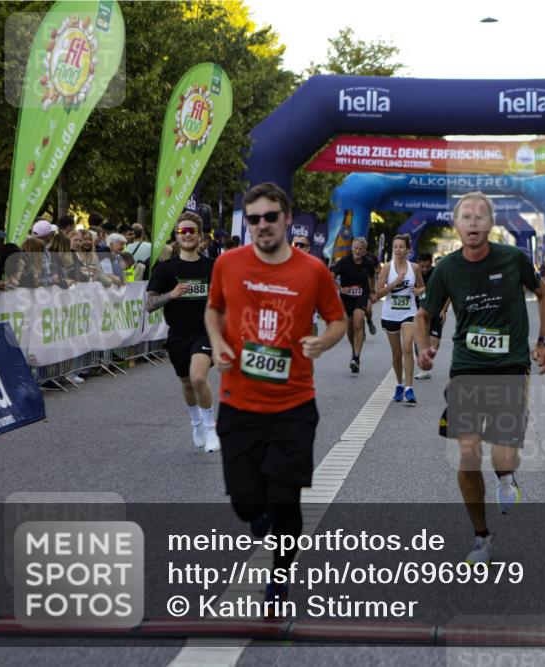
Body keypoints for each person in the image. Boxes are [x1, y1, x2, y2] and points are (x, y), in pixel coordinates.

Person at [206, 182, 346, 611]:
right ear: (246, 224)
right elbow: (213, 310)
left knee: (285, 500)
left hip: (293, 406)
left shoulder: (313, 271)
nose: (262, 225)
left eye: (271, 217)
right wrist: (216, 343)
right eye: (254, 219)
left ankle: (279, 579)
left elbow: (337, 320)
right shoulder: (228, 264)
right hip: (238, 403)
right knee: (248, 504)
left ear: (287, 219)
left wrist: (324, 342)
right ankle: (258, 517)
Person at [416, 191, 545, 565]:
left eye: (481, 216)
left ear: (490, 224)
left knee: (504, 456)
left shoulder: (512, 259)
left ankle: (505, 478)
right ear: (456, 224)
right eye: (467, 216)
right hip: (466, 366)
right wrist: (424, 349)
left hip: (510, 366)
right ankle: (481, 537)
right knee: (466, 452)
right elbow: (424, 315)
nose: (474, 221)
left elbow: (544, 294)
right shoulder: (446, 269)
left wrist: (543, 341)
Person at [146, 213, 220, 452]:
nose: (188, 235)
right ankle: (196, 422)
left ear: (200, 235)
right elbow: (149, 305)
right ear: (177, 236)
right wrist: (171, 295)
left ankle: (210, 428)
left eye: (192, 231)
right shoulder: (165, 269)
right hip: (177, 333)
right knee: (188, 384)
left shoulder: (212, 266)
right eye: (183, 232)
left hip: (205, 331)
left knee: (199, 377)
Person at [374, 234, 424, 404]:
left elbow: (422, 286)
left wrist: (420, 291)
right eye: (395, 247)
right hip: (390, 314)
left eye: (401, 247)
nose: (398, 250)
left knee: (408, 347)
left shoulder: (415, 268)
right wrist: (394, 282)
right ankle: (399, 384)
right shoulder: (387, 268)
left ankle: (409, 388)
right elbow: (378, 293)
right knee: (396, 353)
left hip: (409, 313)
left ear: (408, 249)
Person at [331, 237, 376, 374]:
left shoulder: (368, 263)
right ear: (352, 248)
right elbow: (329, 276)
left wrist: (372, 292)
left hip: (361, 296)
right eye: (355, 248)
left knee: (358, 323)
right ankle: (354, 351)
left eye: (360, 249)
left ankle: (356, 357)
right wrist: (340, 289)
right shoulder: (344, 262)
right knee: (350, 328)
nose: (357, 251)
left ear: (365, 250)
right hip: (346, 298)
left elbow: (372, 277)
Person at [414, 252, 446, 380]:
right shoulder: (413, 273)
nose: (425, 269)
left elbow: (447, 293)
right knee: (421, 339)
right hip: (419, 312)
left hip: (436, 311)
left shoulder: (436, 273)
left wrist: (444, 309)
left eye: (427, 266)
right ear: (418, 263)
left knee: (434, 344)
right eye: (422, 267)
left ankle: (426, 360)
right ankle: (423, 368)